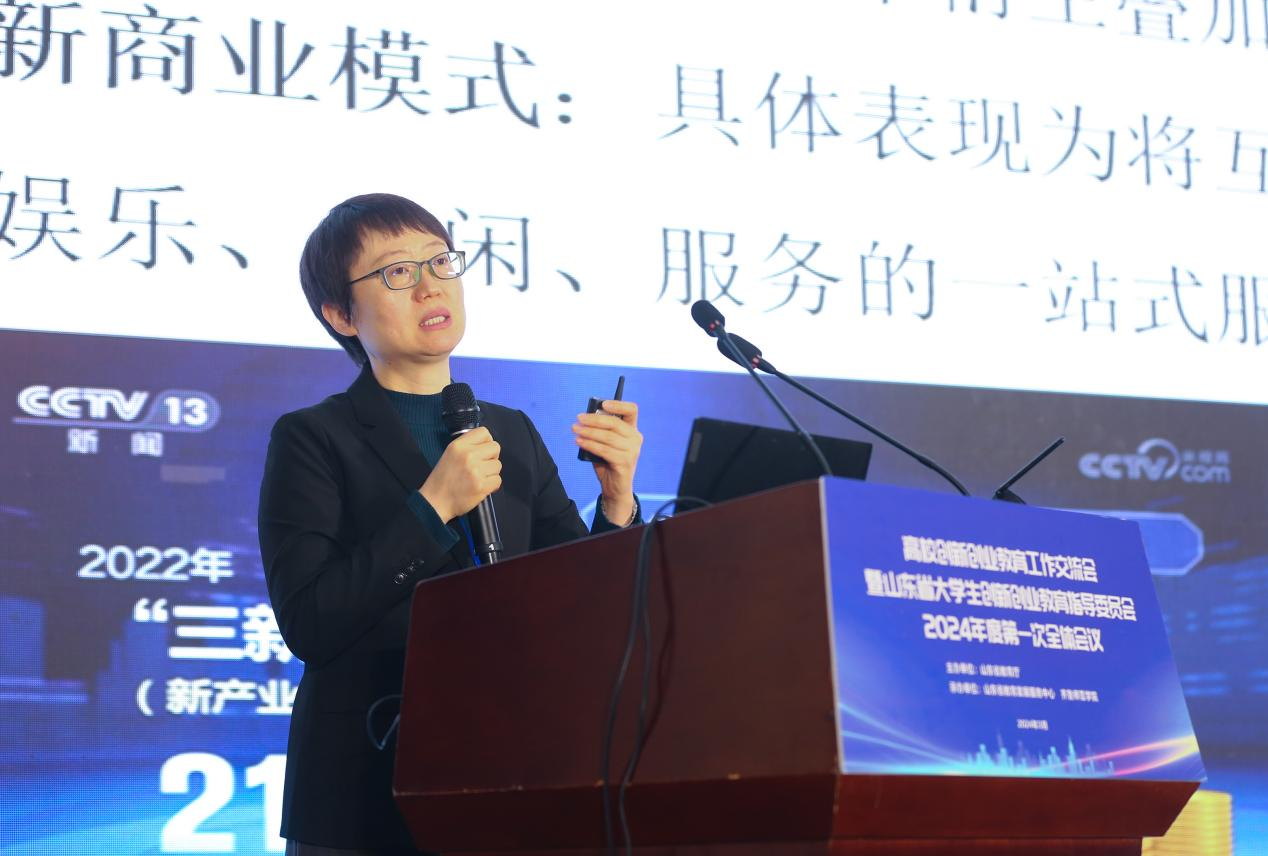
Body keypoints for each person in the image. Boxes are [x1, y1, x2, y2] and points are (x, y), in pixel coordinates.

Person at [257, 193, 644, 855]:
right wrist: (432, 506)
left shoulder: (511, 432)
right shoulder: (312, 437)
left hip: (509, 778)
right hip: (366, 789)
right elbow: (310, 623)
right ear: (340, 315)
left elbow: (584, 610)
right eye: (397, 272)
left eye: (440, 262)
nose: (430, 285)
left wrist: (615, 502)